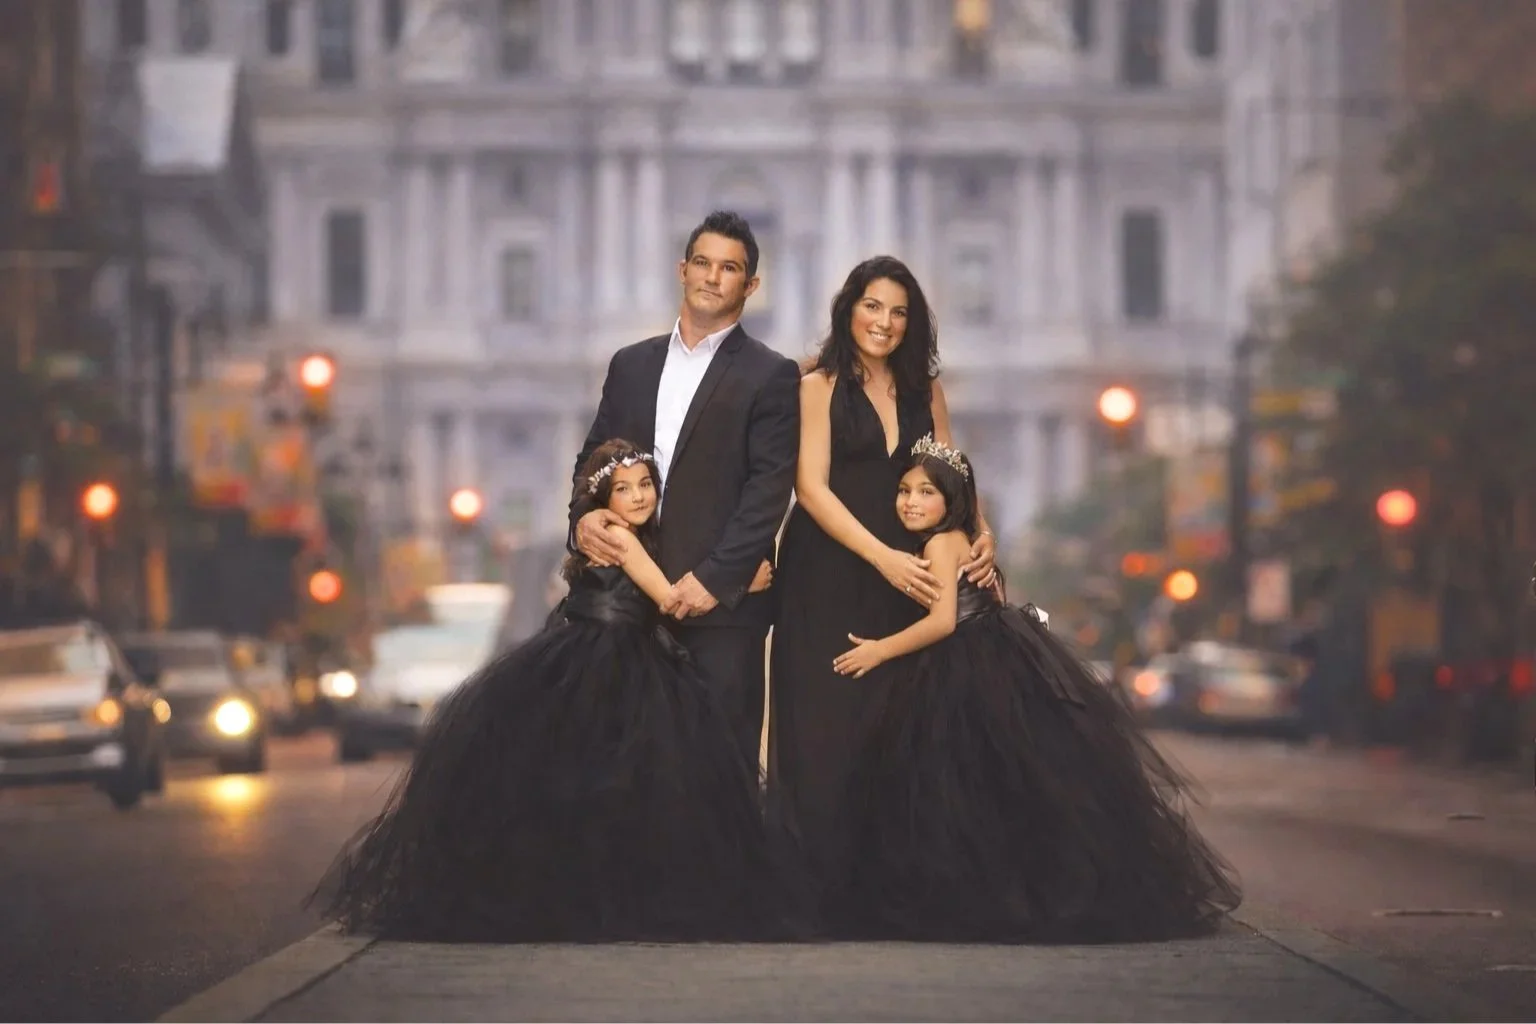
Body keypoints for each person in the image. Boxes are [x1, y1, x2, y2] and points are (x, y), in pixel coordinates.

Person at [314, 440, 799, 943]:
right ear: (601, 501)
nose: (637, 497)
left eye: (645, 484)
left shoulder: (624, 535)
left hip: (600, 652)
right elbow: (670, 600)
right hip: (614, 658)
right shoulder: (622, 538)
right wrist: (742, 583)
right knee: (628, 781)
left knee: (588, 786)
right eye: (623, 488)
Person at [828, 436, 1242, 942]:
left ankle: (971, 899)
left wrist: (878, 650)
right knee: (997, 787)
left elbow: (942, 623)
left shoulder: (941, 543)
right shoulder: (956, 540)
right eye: (905, 490)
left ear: (953, 500)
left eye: (926, 492)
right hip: (989, 656)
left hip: (962, 661)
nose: (911, 501)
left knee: (955, 785)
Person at [767, 257, 998, 901]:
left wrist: (981, 536)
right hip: (828, 571)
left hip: (914, 577)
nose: (884, 322)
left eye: (899, 312)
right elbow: (809, 490)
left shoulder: (928, 392)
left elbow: (954, 480)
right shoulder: (815, 387)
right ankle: (819, 890)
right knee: (823, 724)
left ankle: (889, 889)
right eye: (873, 306)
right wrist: (882, 556)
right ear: (848, 309)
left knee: (897, 725)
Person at [569, 211, 800, 767]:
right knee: (623, 776)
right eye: (702, 262)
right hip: (624, 606)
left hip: (719, 616)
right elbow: (591, 462)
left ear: (751, 285)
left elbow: (768, 490)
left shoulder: (771, 375)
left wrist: (714, 580)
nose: (712, 277)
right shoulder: (630, 364)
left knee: (720, 776)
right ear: (682, 269)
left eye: (729, 268)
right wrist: (581, 519)